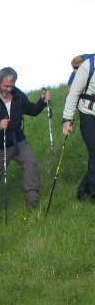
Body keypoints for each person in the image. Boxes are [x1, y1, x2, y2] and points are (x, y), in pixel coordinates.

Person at [0, 67, 51, 214]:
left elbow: (32, 110)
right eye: (6, 86)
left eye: (12, 85)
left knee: (31, 163)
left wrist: (42, 101)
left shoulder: (18, 95)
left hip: (18, 141)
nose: (9, 89)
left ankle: (32, 198)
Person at [63, 54, 95, 201]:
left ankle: (83, 190)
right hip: (88, 114)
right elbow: (73, 93)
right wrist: (67, 119)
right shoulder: (88, 65)